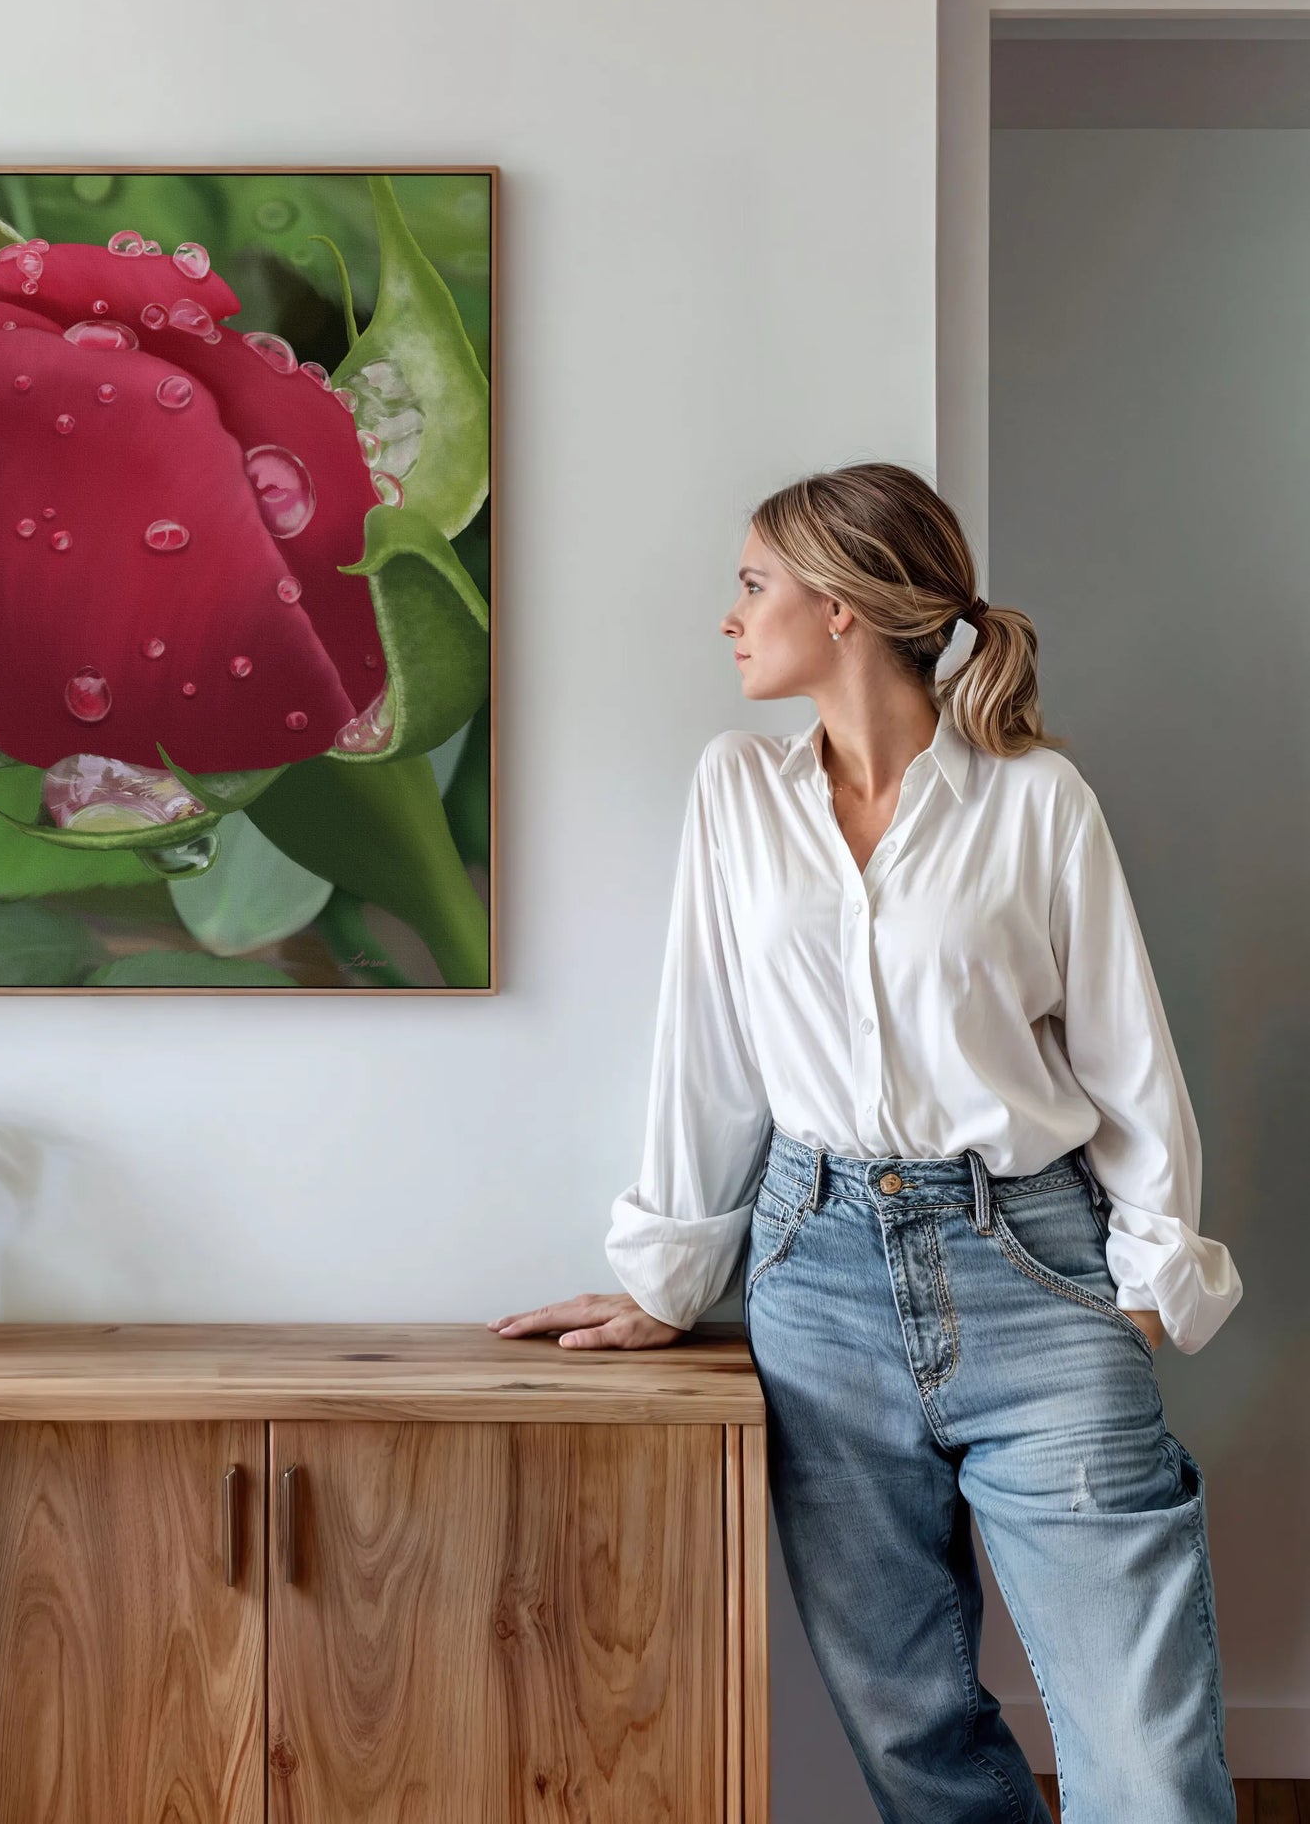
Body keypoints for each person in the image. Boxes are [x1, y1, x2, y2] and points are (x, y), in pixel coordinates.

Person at [489, 463, 1242, 1823]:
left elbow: (1127, 1058)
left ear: (839, 607)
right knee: (912, 1735)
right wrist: (668, 1276)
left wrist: (1141, 1292)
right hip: (816, 1279)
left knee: (1144, 1754)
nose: (730, 617)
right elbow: (707, 1049)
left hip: (1034, 1268)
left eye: (752, 585)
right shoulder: (736, 790)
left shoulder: (1036, 800)